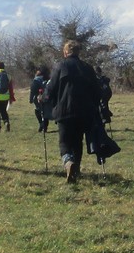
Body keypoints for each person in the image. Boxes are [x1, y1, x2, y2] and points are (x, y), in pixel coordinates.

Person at [43, 40, 102, 184]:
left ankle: (68, 162)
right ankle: (77, 169)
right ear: (78, 52)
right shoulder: (87, 68)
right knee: (77, 142)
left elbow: (51, 89)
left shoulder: (60, 66)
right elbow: (97, 91)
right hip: (84, 111)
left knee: (64, 142)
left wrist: (43, 98)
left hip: (64, 111)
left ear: (65, 52)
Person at [29, 67, 51, 133]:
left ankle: (41, 124)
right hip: (46, 97)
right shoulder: (48, 79)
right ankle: (45, 127)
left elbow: (32, 90)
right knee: (44, 112)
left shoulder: (36, 80)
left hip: (38, 97)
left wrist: (31, 99)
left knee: (37, 110)